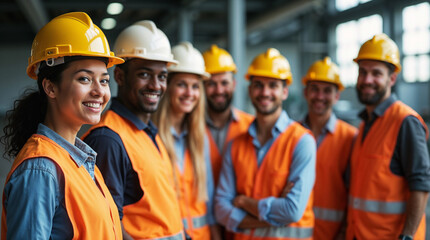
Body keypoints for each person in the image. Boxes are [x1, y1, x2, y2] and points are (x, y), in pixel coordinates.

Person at [1, 12, 124, 239]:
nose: (99, 91)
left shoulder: (82, 162)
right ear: (50, 88)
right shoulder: (41, 169)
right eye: (84, 79)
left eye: (104, 80)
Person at [82, 21, 184, 239]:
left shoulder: (148, 132)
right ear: (119, 76)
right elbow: (108, 224)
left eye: (162, 76)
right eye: (145, 74)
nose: (156, 85)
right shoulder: (108, 140)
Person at [215, 48, 316, 239]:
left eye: (273, 85)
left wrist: (244, 202)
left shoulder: (302, 141)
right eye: (258, 85)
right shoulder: (235, 145)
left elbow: (292, 211)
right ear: (250, 90)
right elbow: (221, 209)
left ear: (284, 92)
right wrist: (276, 211)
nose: (265, 92)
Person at [347, 33, 430, 240]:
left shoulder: (405, 121)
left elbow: (421, 184)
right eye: (362, 72)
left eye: (376, 73)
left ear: (391, 79)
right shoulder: (366, 124)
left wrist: (407, 237)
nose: (367, 80)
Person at [153, 41, 221, 240]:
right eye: (182, 85)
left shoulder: (200, 139)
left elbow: (207, 206)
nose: (189, 94)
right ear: (167, 87)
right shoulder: (152, 137)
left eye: (195, 87)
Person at [301, 57, 357, 240]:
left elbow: (355, 192)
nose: (320, 96)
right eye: (314, 89)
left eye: (327, 91)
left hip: (333, 235)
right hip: (294, 233)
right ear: (305, 92)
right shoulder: (290, 135)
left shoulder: (351, 138)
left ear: (337, 96)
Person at [202, 45, 254, 185]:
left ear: (234, 85)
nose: (219, 90)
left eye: (224, 83)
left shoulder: (252, 126)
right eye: (211, 84)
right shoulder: (189, 127)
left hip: (237, 206)